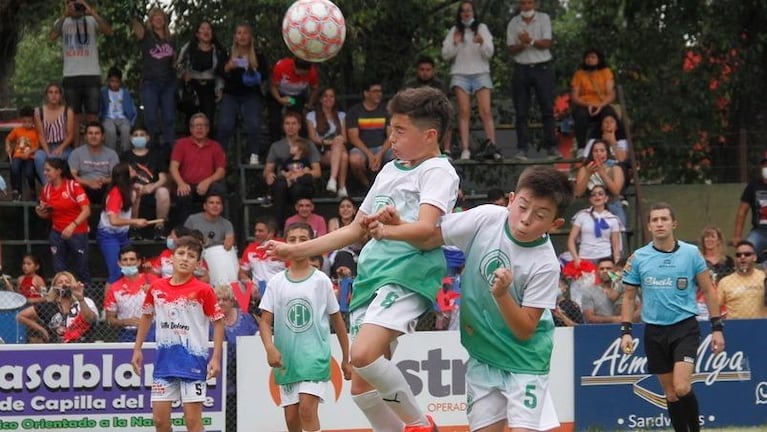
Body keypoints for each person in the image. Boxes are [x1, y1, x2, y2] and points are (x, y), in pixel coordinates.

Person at [265, 86, 458, 431]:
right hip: (370, 277)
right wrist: (297, 250)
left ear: (430, 135)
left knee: (363, 355)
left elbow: (427, 228)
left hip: (407, 272)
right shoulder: (389, 170)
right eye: (391, 128)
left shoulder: (437, 171)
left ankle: (421, 424)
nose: (391, 137)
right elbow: (355, 230)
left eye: (400, 130)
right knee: (361, 387)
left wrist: (387, 231)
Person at [372, 165, 573, 431]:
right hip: (482, 356)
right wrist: (395, 227)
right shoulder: (487, 218)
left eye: (540, 215)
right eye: (522, 207)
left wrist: (501, 295)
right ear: (511, 199)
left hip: (525, 362)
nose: (525, 219)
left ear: (555, 224)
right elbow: (432, 236)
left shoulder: (545, 264)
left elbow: (525, 329)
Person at [620, 202, 725, 432]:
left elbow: (708, 290)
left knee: (681, 387)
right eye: (654, 220)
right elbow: (629, 297)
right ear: (649, 226)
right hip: (654, 331)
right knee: (670, 394)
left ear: (673, 223)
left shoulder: (690, 253)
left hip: (684, 327)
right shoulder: (638, 257)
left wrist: (717, 327)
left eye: (664, 219)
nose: (659, 223)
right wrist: (626, 331)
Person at [259, 222, 351, 432]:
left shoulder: (321, 281)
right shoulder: (276, 282)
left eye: (303, 239)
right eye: (292, 240)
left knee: (307, 411)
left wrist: (347, 359)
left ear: (313, 243)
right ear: (284, 244)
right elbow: (264, 321)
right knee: (292, 419)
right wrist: (270, 347)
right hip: (287, 362)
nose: (297, 244)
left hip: (314, 358)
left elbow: (337, 320)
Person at [131, 236, 223, 432]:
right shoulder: (156, 288)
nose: (185, 258)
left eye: (191, 256)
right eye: (180, 253)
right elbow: (147, 316)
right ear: (171, 258)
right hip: (164, 364)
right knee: (160, 422)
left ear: (198, 263)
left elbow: (218, 322)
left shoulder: (204, 290)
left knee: (192, 422)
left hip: (193, 363)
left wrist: (215, 358)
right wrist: (137, 349)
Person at [441, 1, 498, 161]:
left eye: (469, 10)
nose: (466, 13)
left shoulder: (482, 28)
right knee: (464, 112)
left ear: (473, 12)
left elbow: (490, 53)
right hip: (460, 74)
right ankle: (465, 149)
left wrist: (482, 42)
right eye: (463, 11)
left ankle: (491, 145)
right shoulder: (454, 30)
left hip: (481, 73)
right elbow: (446, 54)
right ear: (460, 14)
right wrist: (455, 42)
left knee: (485, 111)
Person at [51, 0, 112, 144]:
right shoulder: (63, 21)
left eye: (78, 3)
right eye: (71, 3)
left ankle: (96, 149)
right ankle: (77, 151)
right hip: (71, 75)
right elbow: (52, 36)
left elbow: (108, 31)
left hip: (91, 73)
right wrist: (65, 15)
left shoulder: (91, 20)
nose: (75, 7)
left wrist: (92, 12)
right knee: (74, 117)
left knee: (93, 115)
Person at [506, 0, 559, 161]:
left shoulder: (543, 18)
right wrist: (522, 44)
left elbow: (547, 43)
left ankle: (552, 147)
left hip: (542, 67)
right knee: (521, 111)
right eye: (523, 3)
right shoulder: (514, 22)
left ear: (534, 4)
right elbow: (511, 49)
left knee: (547, 109)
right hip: (521, 68)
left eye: (529, 3)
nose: (526, 6)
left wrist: (530, 41)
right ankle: (522, 148)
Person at [36, 157, 91, 288]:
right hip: (57, 232)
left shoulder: (73, 186)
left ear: (58, 171)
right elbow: (46, 214)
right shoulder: (46, 189)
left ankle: (87, 300)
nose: (45, 173)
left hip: (77, 232)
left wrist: (72, 225)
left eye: (48, 170)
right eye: (44, 170)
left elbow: (87, 210)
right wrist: (40, 212)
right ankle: (60, 300)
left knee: (81, 267)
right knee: (58, 269)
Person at [217, 23, 267, 163]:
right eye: (239, 33)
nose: (242, 36)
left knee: (254, 124)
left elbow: (266, 74)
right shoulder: (227, 53)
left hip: (251, 94)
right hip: (231, 94)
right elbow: (219, 72)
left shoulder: (258, 54)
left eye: (245, 33)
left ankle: (254, 155)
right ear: (235, 37)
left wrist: (253, 70)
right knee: (225, 124)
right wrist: (228, 67)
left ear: (250, 36)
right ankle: (221, 156)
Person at [264, 111, 322, 230]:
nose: (290, 127)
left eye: (294, 123)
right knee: (280, 185)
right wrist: (269, 175)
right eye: (287, 123)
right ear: (283, 126)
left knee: (298, 187)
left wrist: (301, 174)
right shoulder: (276, 146)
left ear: (299, 126)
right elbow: (267, 170)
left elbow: (317, 172)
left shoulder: (307, 145)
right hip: (284, 183)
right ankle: (279, 228)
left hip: (302, 184)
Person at [211, 283, 257, 432]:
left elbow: (256, 339)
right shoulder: (208, 320)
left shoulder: (246, 318)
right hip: (219, 380)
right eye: (218, 299)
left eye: (225, 299)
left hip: (244, 377)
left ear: (232, 301)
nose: (221, 302)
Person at [169, 113, 227, 225]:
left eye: (203, 125)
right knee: (182, 194)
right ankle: (185, 231)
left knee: (218, 190)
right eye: (196, 125)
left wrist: (207, 181)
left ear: (208, 129)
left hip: (207, 184)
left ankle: (217, 226)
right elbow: (173, 167)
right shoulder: (181, 144)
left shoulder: (215, 146)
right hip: (187, 184)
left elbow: (221, 171)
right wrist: (181, 183)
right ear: (190, 128)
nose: (199, 128)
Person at [132, 7, 176, 149]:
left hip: (168, 83)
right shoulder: (147, 37)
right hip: (150, 83)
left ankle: (170, 151)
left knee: (169, 118)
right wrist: (133, 14)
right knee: (151, 119)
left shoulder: (171, 40)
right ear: (150, 21)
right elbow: (136, 27)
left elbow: (174, 62)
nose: (158, 19)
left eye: (161, 16)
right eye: (155, 17)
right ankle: (151, 150)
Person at [97, 163, 150, 283]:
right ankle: (109, 301)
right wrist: (135, 221)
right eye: (131, 171)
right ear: (124, 176)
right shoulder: (116, 193)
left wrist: (138, 198)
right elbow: (114, 220)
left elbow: (133, 217)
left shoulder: (129, 191)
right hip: (108, 236)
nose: (135, 173)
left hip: (122, 235)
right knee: (115, 272)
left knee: (131, 268)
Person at [16, 271, 98, 343]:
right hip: (57, 348)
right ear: (54, 286)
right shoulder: (48, 306)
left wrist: (81, 299)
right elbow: (20, 316)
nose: (64, 284)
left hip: (84, 345)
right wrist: (41, 330)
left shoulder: (85, 302)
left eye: (67, 281)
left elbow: (89, 319)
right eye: (60, 282)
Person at [175, 20, 227, 130]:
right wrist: (184, 74)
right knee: (191, 119)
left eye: (208, 29)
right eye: (203, 28)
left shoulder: (218, 51)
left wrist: (220, 88)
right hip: (192, 86)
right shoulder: (189, 48)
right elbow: (178, 64)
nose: (206, 31)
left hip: (209, 87)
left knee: (208, 119)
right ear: (197, 33)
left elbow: (220, 72)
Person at [121, 126, 170, 239]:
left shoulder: (157, 155)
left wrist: (152, 187)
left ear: (148, 138)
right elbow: (122, 176)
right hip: (133, 188)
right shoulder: (125, 156)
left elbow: (163, 178)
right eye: (136, 135)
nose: (139, 138)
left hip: (152, 190)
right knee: (132, 193)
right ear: (130, 138)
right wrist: (133, 186)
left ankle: (159, 227)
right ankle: (134, 228)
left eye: (142, 135)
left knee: (163, 192)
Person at [104, 245, 158, 342]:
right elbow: (109, 320)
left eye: (132, 259)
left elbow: (168, 305)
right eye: (125, 260)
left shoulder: (152, 280)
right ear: (119, 263)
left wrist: (154, 294)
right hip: (127, 334)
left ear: (139, 262)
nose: (128, 263)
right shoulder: (114, 288)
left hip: (152, 331)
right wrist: (126, 322)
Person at [402, 55, 453, 156]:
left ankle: (447, 150)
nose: (425, 73)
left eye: (428, 70)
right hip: (416, 114)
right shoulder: (410, 85)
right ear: (417, 70)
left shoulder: (440, 85)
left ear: (433, 70)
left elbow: (444, 103)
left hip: (435, 114)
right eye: (422, 69)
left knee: (448, 116)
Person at [570, 48, 618, 154]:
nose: (589, 60)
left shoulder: (606, 72)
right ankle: (581, 148)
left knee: (609, 114)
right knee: (580, 114)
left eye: (593, 57)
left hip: (602, 104)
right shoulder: (579, 74)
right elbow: (574, 97)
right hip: (585, 105)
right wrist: (588, 104)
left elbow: (611, 94)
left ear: (599, 59)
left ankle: (611, 145)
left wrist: (601, 105)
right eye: (587, 57)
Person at [346, 81, 392, 189]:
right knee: (355, 160)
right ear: (366, 93)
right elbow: (353, 138)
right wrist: (370, 155)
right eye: (375, 91)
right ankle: (367, 185)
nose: (379, 94)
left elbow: (391, 135)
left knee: (396, 157)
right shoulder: (354, 111)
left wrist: (379, 154)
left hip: (382, 148)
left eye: (380, 91)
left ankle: (385, 186)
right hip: (361, 148)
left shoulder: (386, 111)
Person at [306, 87, 349, 197]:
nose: (328, 99)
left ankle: (333, 182)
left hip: (337, 149)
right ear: (320, 99)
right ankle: (341, 186)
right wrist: (329, 142)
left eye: (331, 96)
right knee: (341, 150)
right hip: (321, 151)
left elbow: (344, 137)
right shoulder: (311, 116)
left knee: (343, 154)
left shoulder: (341, 116)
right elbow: (312, 138)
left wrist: (336, 142)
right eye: (325, 96)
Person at [566, 184, 622, 268]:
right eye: (593, 194)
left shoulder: (613, 219)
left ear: (606, 198)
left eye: (600, 194)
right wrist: (576, 258)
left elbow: (616, 244)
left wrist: (616, 260)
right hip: (585, 257)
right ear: (590, 199)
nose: (597, 196)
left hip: (605, 259)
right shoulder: (581, 215)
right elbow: (571, 239)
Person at [574, 139, 627, 227]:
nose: (599, 154)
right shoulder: (584, 169)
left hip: (612, 206)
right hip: (591, 206)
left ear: (607, 153)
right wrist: (588, 173)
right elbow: (578, 193)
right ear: (591, 153)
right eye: (595, 151)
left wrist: (602, 173)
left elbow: (616, 191)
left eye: (602, 151)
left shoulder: (616, 168)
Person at [268, 57, 320, 143]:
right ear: (294, 66)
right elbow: (273, 86)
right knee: (275, 121)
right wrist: (279, 99)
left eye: (304, 74)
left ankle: (297, 145)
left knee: (297, 119)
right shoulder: (281, 66)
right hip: (278, 93)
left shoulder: (312, 72)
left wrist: (309, 104)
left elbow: (315, 88)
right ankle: (275, 144)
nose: (301, 76)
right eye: (299, 73)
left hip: (295, 97)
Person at [68, 121, 120, 205]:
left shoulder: (112, 154)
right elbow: (72, 175)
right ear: (85, 137)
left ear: (103, 136)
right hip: (83, 186)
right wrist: (89, 183)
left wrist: (103, 181)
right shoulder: (76, 153)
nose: (93, 136)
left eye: (97, 133)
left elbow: (116, 176)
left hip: (105, 186)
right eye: (90, 133)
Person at [33, 83, 76, 184]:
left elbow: (70, 135)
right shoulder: (38, 112)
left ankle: (63, 187)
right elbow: (40, 135)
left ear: (60, 95)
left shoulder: (67, 111)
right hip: (45, 146)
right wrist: (47, 151)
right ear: (46, 95)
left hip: (63, 146)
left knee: (64, 157)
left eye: (56, 92)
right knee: (39, 157)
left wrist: (60, 148)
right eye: (50, 92)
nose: (53, 95)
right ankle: (47, 187)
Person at [717, 240, 767, 319]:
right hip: (735, 328)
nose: (742, 257)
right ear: (735, 259)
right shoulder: (725, 282)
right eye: (738, 255)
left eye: (747, 254)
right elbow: (716, 308)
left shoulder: (764, 277)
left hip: (761, 327)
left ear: (754, 257)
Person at [733, 155, 767, 261]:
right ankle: (745, 276)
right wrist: (737, 236)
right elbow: (742, 212)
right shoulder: (753, 186)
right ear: (761, 167)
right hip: (759, 231)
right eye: (765, 165)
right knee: (745, 252)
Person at [238, 217, 286, 289]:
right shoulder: (250, 249)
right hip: (259, 292)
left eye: (260, 231)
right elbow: (242, 273)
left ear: (271, 233)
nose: (256, 233)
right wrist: (250, 285)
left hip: (280, 290)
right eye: (256, 230)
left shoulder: (283, 247)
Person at [5, 106, 40, 200]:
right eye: (24, 121)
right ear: (21, 120)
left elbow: (38, 146)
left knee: (29, 173)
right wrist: (7, 146)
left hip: (30, 157)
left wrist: (30, 152)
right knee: (14, 168)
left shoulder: (36, 131)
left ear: (33, 121)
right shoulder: (17, 130)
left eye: (29, 122)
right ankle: (16, 191)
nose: (27, 124)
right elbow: (8, 138)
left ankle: (32, 190)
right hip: (18, 155)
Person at [99, 66, 137, 151]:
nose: (114, 84)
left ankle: (125, 154)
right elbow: (100, 107)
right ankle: (111, 154)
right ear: (108, 81)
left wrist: (132, 121)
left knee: (126, 129)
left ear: (120, 82)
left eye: (117, 82)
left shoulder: (125, 92)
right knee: (110, 130)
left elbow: (132, 109)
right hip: (108, 117)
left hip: (122, 118)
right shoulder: (103, 92)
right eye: (112, 81)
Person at [327, 197, 365, 279]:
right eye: (342, 207)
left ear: (354, 210)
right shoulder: (333, 222)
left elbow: (364, 239)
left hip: (357, 255)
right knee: (343, 255)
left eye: (348, 206)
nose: (345, 209)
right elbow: (334, 240)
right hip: (338, 254)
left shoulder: (360, 222)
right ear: (339, 210)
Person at [581, 258, 623, 324]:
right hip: (600, 330)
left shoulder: (623, 287)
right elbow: (589, 318)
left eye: (608, 268)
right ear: (597, 271)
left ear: (615, 271)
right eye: (602, 269)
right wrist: (613, 319)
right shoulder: (588, 292)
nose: (605, 271)